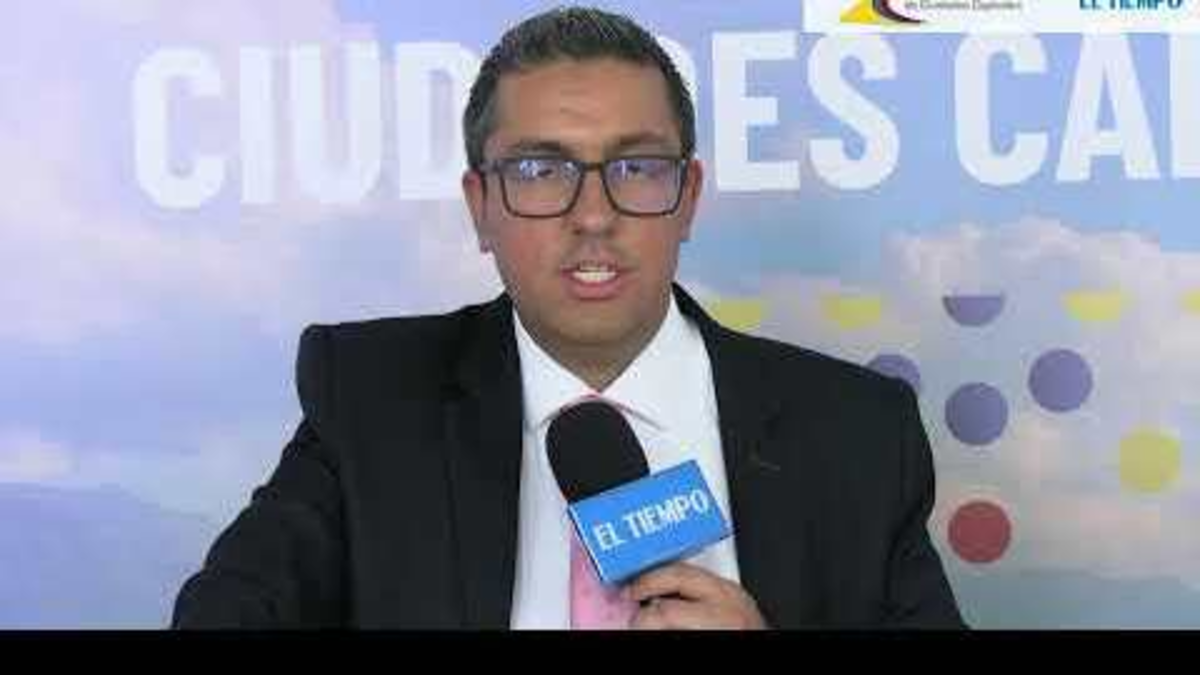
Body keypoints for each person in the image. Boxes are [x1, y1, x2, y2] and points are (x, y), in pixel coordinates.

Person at [172, 5, 965, 630]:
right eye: (540, 169)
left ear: (688, 198)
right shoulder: (371, 398)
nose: (593, 215)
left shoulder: (860, 434)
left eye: (636, 167)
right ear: (481, 207)